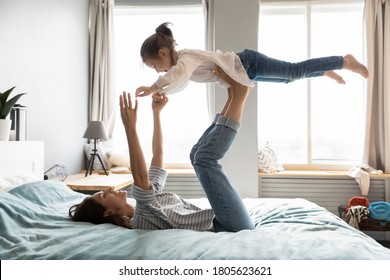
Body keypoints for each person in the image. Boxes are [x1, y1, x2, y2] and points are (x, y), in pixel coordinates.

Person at [69, 67, 255, 232]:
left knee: (195, 154)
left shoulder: (152, 199)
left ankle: (233, 97)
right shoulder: (142, 218)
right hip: (230, 225)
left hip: (228, 217)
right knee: (204, 159)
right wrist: (130, 128)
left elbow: (158, 156)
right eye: (103, 195)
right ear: (108, 212)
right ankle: (240, 95)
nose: (109, 189)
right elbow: (140, 177)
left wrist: (156, 113)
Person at [135, 22, 369, 97]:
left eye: (155, 66)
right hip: (248, 69)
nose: (158, 72)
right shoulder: (182, 65)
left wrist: (153, 87)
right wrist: (161, 91)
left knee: (293, 71)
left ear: (163, 53)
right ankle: (323, 70)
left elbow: (178, 76)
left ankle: (343, 61)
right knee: (290, 79)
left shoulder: (186, 58)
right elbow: (180, 83)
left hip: (249, 63)